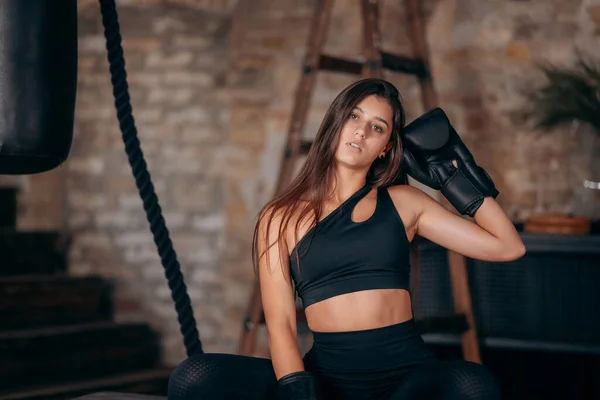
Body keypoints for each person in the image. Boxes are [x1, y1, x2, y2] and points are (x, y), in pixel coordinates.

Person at [167, 78, 525, 400]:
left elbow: (508, 246)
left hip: (406, 381)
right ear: (335, 123)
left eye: (377, 127)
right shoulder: (279, 217)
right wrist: (296, 385)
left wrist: (455, 179)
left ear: (386, 147)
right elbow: (280, 322)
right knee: (195, 377)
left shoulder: (405, 204)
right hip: (324, 381)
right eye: (353, 117)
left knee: (472, 385)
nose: (361, 132)